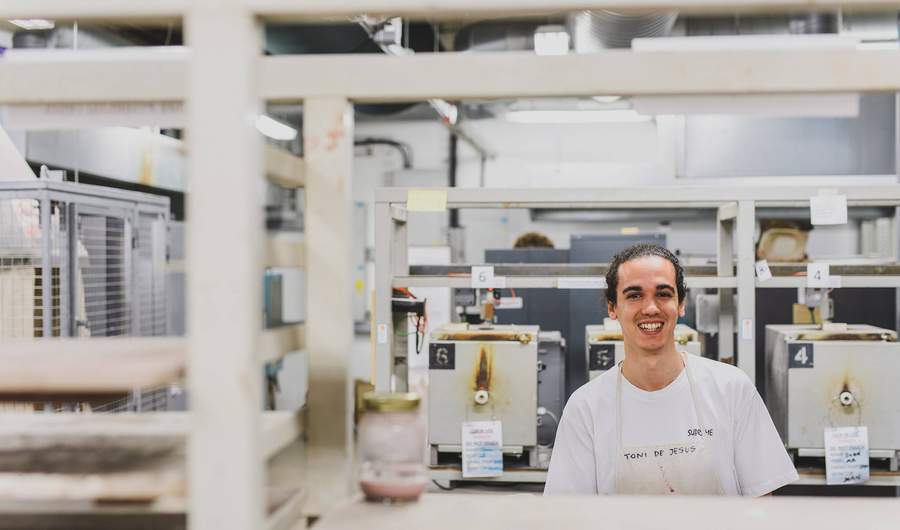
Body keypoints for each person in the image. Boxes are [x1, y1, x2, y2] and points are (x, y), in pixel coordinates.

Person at [544, 243, 797, 496]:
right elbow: (569, 515)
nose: (651, 308)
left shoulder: (731, 388)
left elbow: (763, 504)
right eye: (634, 295)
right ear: (613, 307)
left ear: (681, 304)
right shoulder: (586, 408)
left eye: (663, 294)